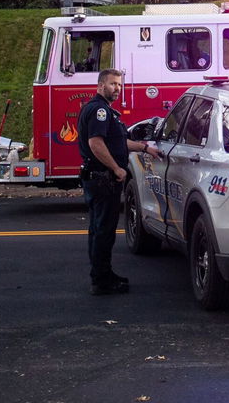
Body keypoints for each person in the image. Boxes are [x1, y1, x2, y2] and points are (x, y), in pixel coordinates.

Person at [77, 68, 161, 295]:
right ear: (100, 85)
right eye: (113, 84)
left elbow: (119, 143)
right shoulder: (100, 112)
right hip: (103, 179)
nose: (117, 88)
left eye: (120, 84)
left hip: (97, 178)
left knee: (99, 229)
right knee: (103, 231)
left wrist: (145, 148)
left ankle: (103, 273)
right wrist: (116, 168)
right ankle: (101, 281)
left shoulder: (99, 110)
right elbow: (96, 143)